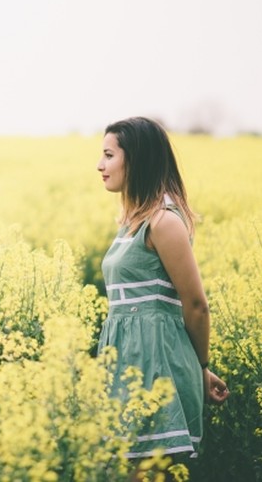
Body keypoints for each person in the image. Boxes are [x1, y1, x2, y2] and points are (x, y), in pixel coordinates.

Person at [96, 116, 229, 464]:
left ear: (136, 160)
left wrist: (200, 369)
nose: (100, 166)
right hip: (128, 362)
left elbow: (196, 305)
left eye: (109, 155)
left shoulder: (164, 222)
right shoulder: (131, 223)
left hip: (158, 367)